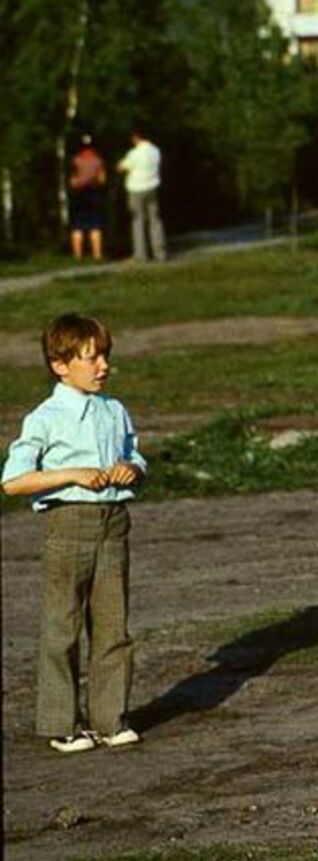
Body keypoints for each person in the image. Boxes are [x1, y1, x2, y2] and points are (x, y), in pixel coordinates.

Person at [4, 314, 147, 754]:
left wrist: (132, 469)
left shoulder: (114, 410)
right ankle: (61, 724)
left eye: (105, 356)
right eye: (90, 358)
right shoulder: (46, 417)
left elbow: (136, 458)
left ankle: (109, 719)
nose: (102, 366)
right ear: (59, 364)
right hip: (69, 523)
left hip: (114, 522)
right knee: (62, 624)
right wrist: (71, 476)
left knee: (112, 625)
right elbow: (13, 481)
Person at [119, 130, 165, 263]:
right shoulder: (156, 151)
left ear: (136, 138)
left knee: (137, 221)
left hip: (136, 188)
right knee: (155, 220)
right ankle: (159, 253)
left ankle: (141, 254)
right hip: (152, 186)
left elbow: (123, 166)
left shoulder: (134, 153)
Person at [68, 135, 107, 262]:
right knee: (95, 226)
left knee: (77, 227)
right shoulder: (98, 161)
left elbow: (72, 181)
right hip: (94, 193)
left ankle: (78, 257)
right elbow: (102, 179)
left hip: (79, 194)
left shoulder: (75, 160)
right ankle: (97, 255)